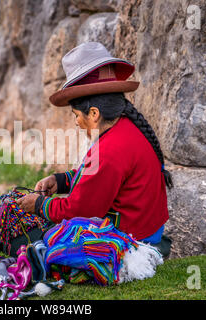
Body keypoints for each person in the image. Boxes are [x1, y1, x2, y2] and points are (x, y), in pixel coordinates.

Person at [16, 42, 173, 256]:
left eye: (76, 116)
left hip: (133, 243)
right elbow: (97, 181)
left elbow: (82, 211)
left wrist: (40, 205)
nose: (76, 123)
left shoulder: (112, 148)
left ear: (94, 114)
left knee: (24, 238)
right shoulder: (124, 129)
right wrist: (60, 180)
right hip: (144, 232)